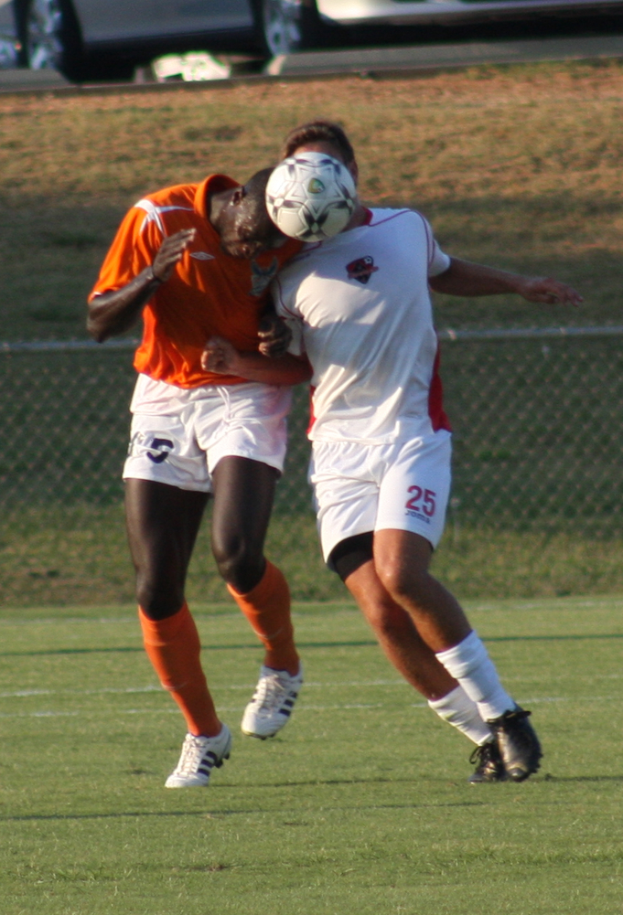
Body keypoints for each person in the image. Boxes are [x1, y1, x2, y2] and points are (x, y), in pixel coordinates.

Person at [202, 120, 583, 783]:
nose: (311, 178)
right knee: (380, 610)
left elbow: (446, 271)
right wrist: (241, 358)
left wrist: (517, 283)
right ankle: (483, 738)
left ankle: (506, 716)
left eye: (324, 165)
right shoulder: (281, 274)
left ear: (349, 176)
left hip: (411, 434)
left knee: (402, 575)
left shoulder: (405, 225)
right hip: (339, 453)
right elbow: (295, 369)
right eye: (299, 167)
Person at [87, 166, 307, 789]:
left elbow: (302, 330)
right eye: (248, 239)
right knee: (156, 585)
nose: (255, 254)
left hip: (243, 390)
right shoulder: (157, 217)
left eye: (269, 247)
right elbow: (100, 321)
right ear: (236, 199)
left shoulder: (295, 234)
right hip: (164, 394)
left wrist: (279, 331)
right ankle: (205, 734)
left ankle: (283, 664)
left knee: (236, 554)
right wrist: (153, 276)